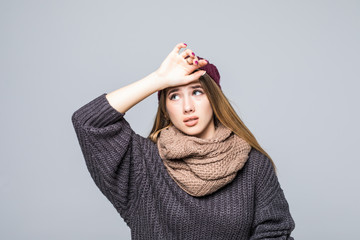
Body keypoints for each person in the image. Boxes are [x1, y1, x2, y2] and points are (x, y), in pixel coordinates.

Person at [71, 42, 295, 239]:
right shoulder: (143, 163)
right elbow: (88, 122)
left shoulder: (254, 165)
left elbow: (275, 235)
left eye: (197, 92)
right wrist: (158, 80)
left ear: (214, 99)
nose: (188, 107)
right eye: (174, 96)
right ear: (166, 109)